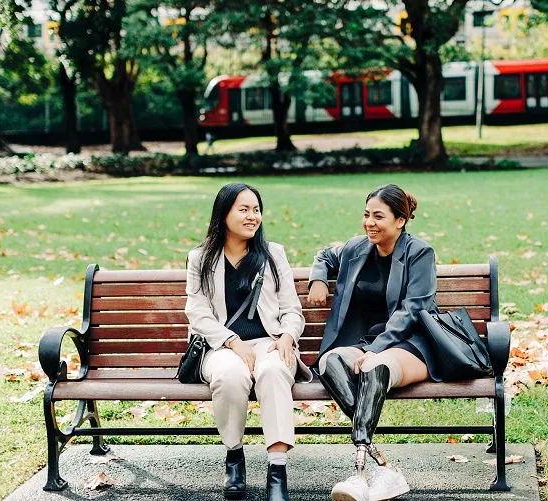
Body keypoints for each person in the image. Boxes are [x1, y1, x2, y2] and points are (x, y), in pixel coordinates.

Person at [307, 184, 440, 501]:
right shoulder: (356, 249)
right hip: (363, 341)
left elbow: (414, 310)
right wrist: (317, 277)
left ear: (400, 221)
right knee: (329, 362)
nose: (369, 222)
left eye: (378, 216)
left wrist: (373, 350)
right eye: (366, 215)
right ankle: (383, 467)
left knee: (376, 366)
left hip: (410, 342)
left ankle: (361, 472)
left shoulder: (419, 254)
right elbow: (326, 253)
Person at [185, 182, 312, 501]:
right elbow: (197, 313)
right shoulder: (200, 258)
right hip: (221, 346)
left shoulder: (273, 254)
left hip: (269, 343)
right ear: (223, 214)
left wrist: (287, 335)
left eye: (256, 210)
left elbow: (291, 309)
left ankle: (277, 473)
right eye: (243, 209)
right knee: (230, 375)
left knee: (272, 372)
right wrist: (232, 341)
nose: (252, 216)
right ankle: (234, 457)